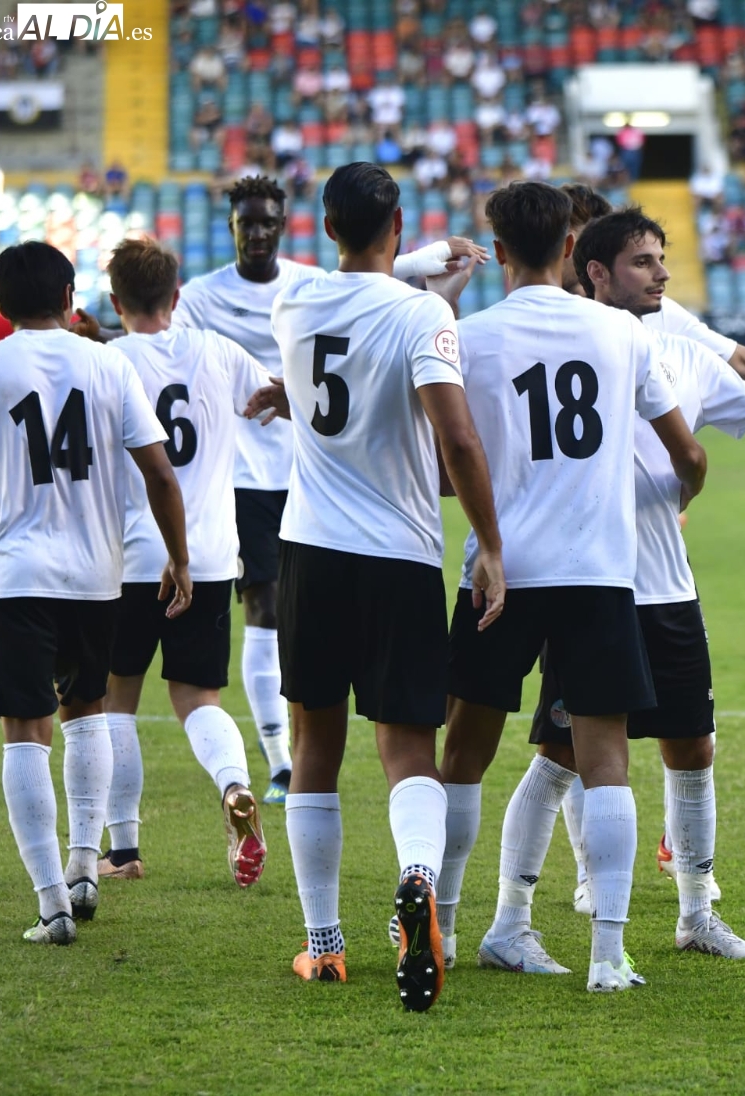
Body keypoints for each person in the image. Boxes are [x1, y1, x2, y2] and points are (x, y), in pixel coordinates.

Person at [476, 208, 745, 972]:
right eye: (643, 262)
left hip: (665, 587)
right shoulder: (567, 340)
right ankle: (512, 916)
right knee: (559, 756)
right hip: (584, 584)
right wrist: (690, 476)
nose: (662, 273)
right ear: (596, 272)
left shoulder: (682, 352)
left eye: (662, 259)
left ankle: (697, 913)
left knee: (693, 748)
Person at [436, 181, 707, 993]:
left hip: (502, 570)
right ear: (568, 248)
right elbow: (685, 454)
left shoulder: (470, 337)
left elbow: (451, 460)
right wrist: (673, 503)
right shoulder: (621, 335)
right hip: (596, 573)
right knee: (607, 760)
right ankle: (609, 955)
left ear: (500, 250)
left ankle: (443, 929)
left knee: (465, 752)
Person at [262, 162, 505, 1010]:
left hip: (311, 552)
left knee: (312, 749)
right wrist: (493, 549)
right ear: (397, 223)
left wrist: (425, 262)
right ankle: (414, 887)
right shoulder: (421, 313)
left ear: (325, 228)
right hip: (399, 555)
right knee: (407, 749)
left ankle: (323, 945)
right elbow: (461, 441)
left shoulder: (291, 303)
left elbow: (357, 283)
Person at [0, 241, 191, 944]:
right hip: (94, 575)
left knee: (26, 731)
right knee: (88, 712)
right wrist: (179, 557)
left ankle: (52, 904)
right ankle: (84, 862)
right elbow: (161, 475)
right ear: (70, 296)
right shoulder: (107, 362)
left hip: (14, 577)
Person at [96, 238, 273, 888]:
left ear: (116, 303)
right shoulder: (219, 352)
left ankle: (124, 851)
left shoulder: (107, 361)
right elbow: (273, 399)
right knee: (198, 697)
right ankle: (233, 785)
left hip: (132, 555)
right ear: (177, 297)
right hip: (210, 555)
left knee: (117, 697)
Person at [173, 176, 322, 805]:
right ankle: (281, 760)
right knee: (263, 608)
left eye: (267, 222)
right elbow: (163, 346)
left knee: (302, 616)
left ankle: (304, 749)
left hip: (308, 472)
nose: (256, 233)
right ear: (231, 227)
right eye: (245, 224)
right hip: (241, 477)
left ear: (284, 223)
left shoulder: (308, 286)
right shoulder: (203, 297)